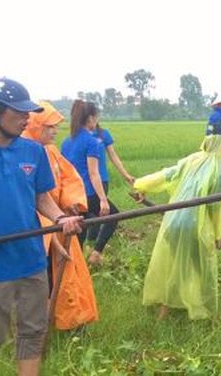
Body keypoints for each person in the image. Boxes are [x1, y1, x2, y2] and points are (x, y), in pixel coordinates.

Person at [0, 78, 82, 376]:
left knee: (32, 334)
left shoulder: (32, 151)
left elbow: (42, 197)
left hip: (31, 259)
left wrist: (59, 219)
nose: (26, 118)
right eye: (19, 112)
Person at [132, 126, 221, 320]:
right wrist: (217, 235)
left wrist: (141, 185)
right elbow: (215, 209)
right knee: (198, 268)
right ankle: (191, 309)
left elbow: (166, 175)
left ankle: (176, 305)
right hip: (195, 227)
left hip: (173, 221)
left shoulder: (192, 159)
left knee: (176, 264)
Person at [22, 101, 99, 330]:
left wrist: (73, 202)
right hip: (35, 228)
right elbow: (26, 197)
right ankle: (37, 326)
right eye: (50, 126)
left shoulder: (51, 151)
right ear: (36, 125)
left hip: (59, 220)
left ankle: (72, 322)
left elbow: (69, 178)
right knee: (40, 279)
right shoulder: (22, 152)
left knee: (67, 274)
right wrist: (50, 226)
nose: (55, 131)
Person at [62, 100, 118, 265]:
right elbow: (94, 173)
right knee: (113, 216)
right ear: (91, 118)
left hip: (74, 195)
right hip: (89, 193)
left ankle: (74, 264)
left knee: (81, 227)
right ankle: (96, 254)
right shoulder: (92, 141)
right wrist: (102, 199)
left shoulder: (67, 142)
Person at [87, 122, 135, 248]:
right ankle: (93, 247)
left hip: (101, 180)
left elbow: (113, 156)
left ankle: (93, 245)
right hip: (85, 182)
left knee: (99, 213)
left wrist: (125, 175)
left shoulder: (103, 134)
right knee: (95, 213)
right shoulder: (79, 137)